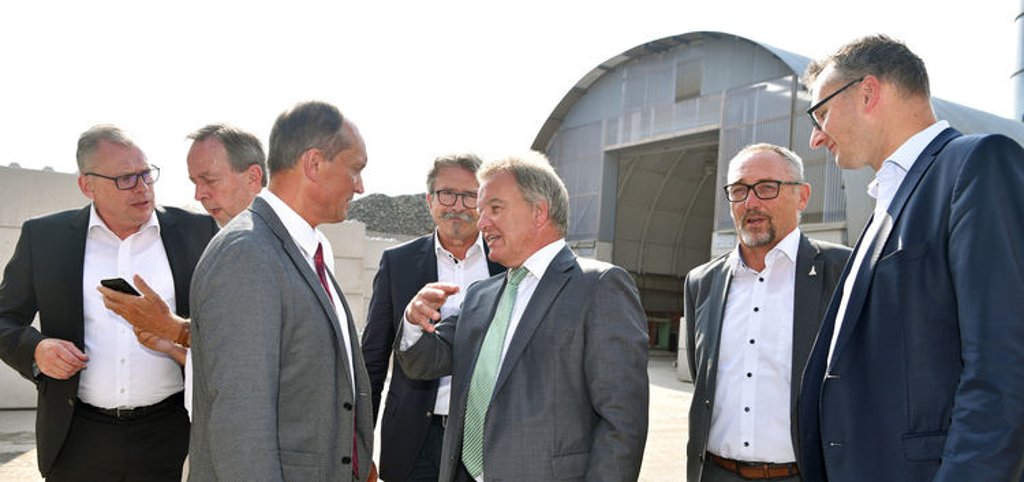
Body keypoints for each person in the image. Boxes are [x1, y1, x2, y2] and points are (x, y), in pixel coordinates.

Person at [797, 35, 1024, 482]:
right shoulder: (889, 200)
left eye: (821, 113)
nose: (816, 136)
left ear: (866, 92)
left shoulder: (974, 165)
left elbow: (1004, 368)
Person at [400, 152, 649, 482]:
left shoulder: (599, 287)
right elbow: (426, 362)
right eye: (481, 211)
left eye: (495, 208)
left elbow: (622, 422)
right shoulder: (479, 295)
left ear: (539, 212)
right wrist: (413, 323)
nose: (482, 221)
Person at [0, 125, 217, 481]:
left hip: (171, 433)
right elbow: (4, 318)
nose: (143, 188)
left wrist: (173, 328)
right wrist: (36, 350)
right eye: (126, 179)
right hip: (77, 435)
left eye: (146, 174)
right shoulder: (45, 238)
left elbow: (224, 325)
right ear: (88, 185)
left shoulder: (198, 232)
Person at [187, 101, 374, 482]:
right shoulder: (248, 253)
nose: (360, 185)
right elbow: (242, 424)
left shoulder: (307, 250)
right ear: (315, 164)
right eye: (355, 169)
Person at [684, 144, 850, 482]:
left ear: (802, 196)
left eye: (767, 187)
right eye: (739, 190)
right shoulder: (702, 282)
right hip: (717, 473)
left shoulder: (844, 273)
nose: (751, 202)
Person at [361, 153, 504, 482]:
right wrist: (361, 445)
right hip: (415, 439)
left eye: (470, 195)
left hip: (486, 438)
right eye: (446, 194)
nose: (458, 205)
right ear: (430, 200)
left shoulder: (506, 264)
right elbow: (373, 361)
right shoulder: (397, 264)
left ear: (483, 203)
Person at [98, 123, 266, 364]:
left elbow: (259, 353)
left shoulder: (282, 246)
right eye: (195, 182)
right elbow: (224, 363)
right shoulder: (222, 241)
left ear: (253, 177)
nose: (199, 195)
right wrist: (171, 348)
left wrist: (173, 328)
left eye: (210, 180)